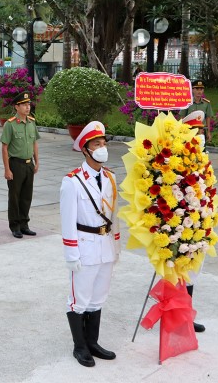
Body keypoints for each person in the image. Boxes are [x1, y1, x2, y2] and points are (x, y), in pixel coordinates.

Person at [60, 121, 121, 368]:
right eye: (97, 144)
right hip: (84, 246)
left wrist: (116, 246)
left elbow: (114, 216)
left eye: (104, 143)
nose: (102, 148)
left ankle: (93, 342)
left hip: (105, 245)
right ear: (85, 149)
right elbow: (67, 221)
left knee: (98, 298)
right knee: (79, 299)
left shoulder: (110, 178)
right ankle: (80, 346)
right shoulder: (72, 181)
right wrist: (71, 254)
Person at [181, 110, 207, 333]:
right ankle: (175, 316)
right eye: (196, 132)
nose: (200, 136)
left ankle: (186, 316)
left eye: (201, 132)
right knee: (178, 273)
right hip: (180, 225)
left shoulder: (201, 159)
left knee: (192, 274)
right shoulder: (179, 160)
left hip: (198, 225)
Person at [0, 91, 40, 238]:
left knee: (26, 196)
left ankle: (24, 224)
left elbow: (35, 142)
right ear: (16, 107)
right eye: (24, 105)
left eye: (28, 104)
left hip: (29, 164)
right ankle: (15, 226)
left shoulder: (31, 122)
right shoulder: (10, 125)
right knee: (15, 196)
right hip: (15, 164)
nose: (27, 107)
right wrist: (7, 169)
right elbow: (4, 147)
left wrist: (37, 161)